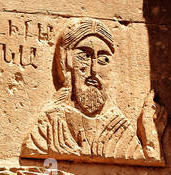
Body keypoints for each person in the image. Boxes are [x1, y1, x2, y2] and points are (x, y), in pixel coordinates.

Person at [21, 19, 163, 163]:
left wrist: (150, 138)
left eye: (103, 59)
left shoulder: (119, 128)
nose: (94, 69)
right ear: (66, 60)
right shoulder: (51, 125)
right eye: (84, 56)